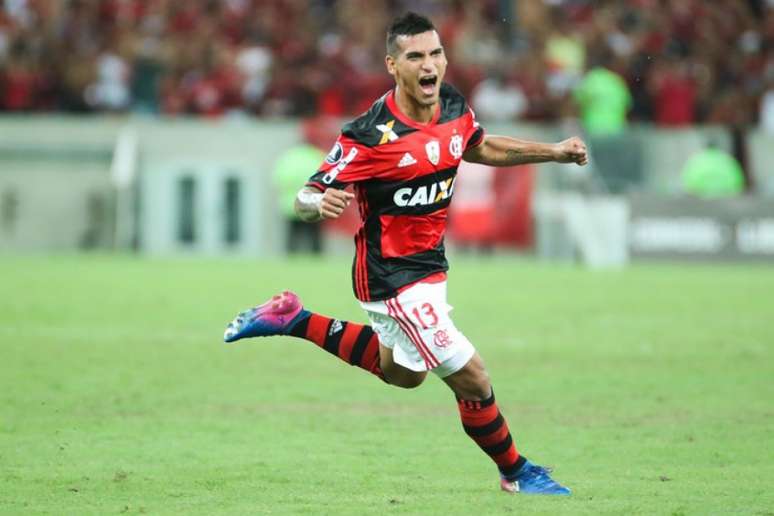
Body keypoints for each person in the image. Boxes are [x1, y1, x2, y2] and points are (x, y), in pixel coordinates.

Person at [224, 12, 588, 496]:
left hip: (430, 266)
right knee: (473, 378)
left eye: (435, 53)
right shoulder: (368, 135)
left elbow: (479, 147)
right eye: (415, 56)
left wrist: (554, 151)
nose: (429, 64)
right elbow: (305, 196)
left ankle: (293, 318)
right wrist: (319, 203)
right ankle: (517, 472)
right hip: (391, 277)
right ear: (393, 66)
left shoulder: (454, 104)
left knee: (403, 374)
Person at [681, 141, 745, 198]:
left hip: (702, 195)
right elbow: (737, 179)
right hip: (726, 194)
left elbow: (688, 182)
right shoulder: (726, 158)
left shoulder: (697, 159)